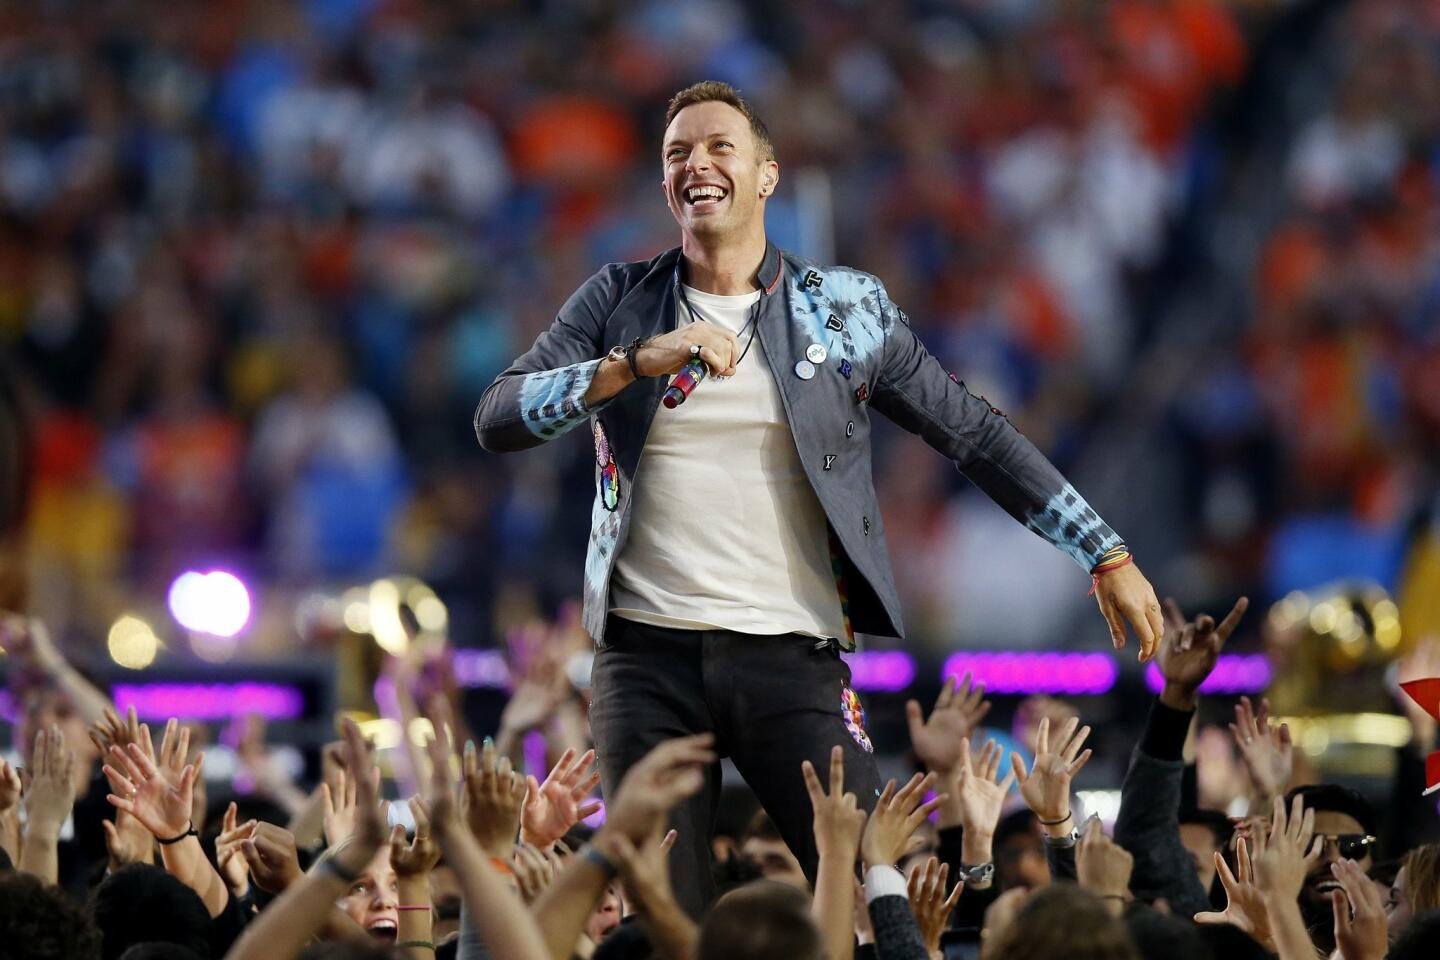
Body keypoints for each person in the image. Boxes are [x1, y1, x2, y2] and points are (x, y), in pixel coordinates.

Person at [474, 79, 1165, 915]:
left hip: (791, 651)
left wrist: (1105, 549)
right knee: (660, 912)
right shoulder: (619, 301)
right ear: (664, 184)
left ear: (767, 174)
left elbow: (973, 433)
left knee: (878, 896)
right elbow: (499, 417)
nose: (697, 162)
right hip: (644, 658)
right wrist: (632, 364)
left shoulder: (844, 310)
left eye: (719, 146)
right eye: (677, 152)